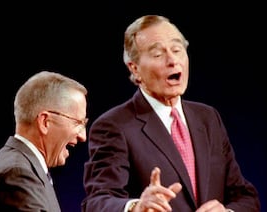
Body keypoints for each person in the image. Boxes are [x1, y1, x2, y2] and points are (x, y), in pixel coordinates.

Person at [81, 15, 260, 212]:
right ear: (135, 69)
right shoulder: (114, 125)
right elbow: (97, 202)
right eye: (158, 54)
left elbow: (245, 196)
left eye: (177, 50)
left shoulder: (208, 118)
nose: (173, 60)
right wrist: (136, 207)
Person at [0, 70, 88, 211]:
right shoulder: (17, 176)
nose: (83, 136)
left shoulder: (25, 168)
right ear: (45, 122)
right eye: (78, 123)